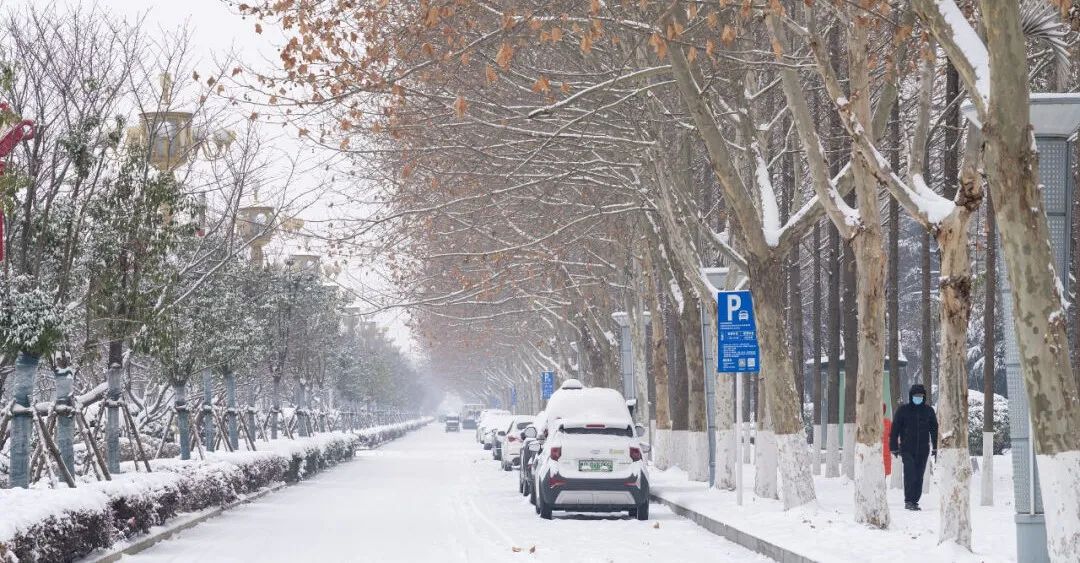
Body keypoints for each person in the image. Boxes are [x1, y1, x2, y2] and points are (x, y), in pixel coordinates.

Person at [889, 384, 938, 511]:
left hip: (923, 449)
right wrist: (893, 446)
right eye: (916, 396)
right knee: (910, 473)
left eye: (921, 396)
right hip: (906, 448)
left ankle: (915, 500)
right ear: (911, 396)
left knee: (919, 475)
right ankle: (909, 500)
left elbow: (934, 429)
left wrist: (936, 447)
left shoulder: (929, 411)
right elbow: (895, 429)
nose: (918, 398)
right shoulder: (903, 410)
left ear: (924, 397)